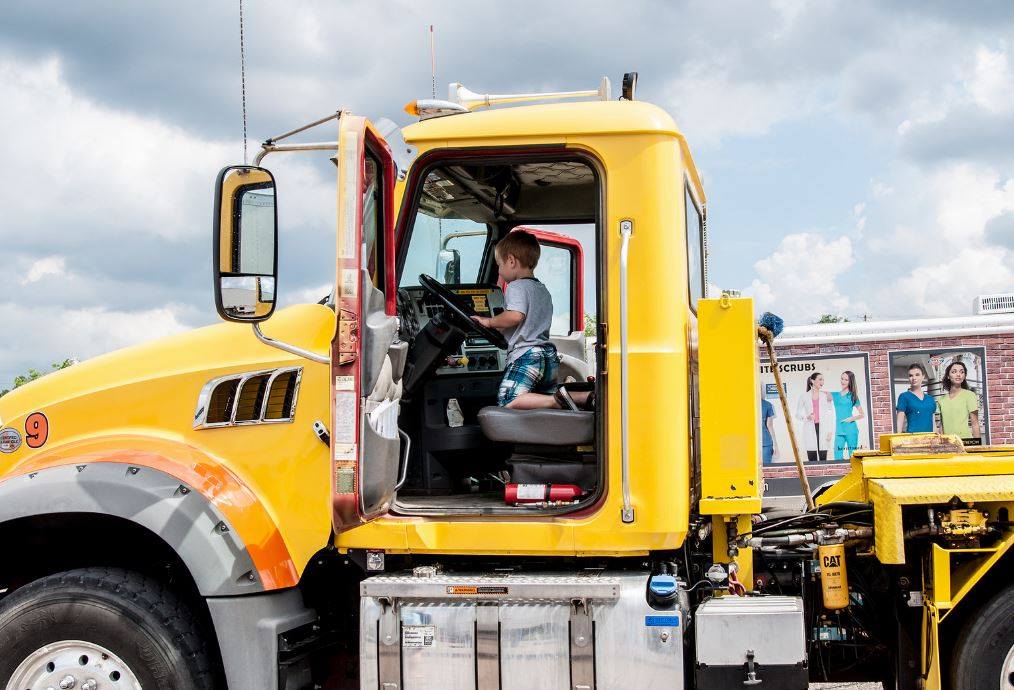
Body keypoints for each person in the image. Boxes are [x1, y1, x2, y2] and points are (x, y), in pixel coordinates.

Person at [471, 230, 568, 410]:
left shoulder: (516, 287)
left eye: (499, 265)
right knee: (542, 405)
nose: (499, 271)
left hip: (527, 354)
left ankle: (562, 399)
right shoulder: (542, 289)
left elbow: (516, 315)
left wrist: (489, 322)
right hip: (548, 355)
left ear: (511, 261)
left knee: (508, 400)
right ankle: (558, 400)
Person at [794, 372, 835, 462]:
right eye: (820, 379)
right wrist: (807, 417)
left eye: (823, 379)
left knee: (823, 456)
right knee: (812, 457)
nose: (822, 382)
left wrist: (830, 431)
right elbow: (797, 414)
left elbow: (830, 414)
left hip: (823, 428)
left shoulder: (825, 396)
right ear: (812, 381)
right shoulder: (804, 396)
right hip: (810, 428)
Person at [936, 361, 981, 439]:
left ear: (964, 376)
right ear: (948, 376)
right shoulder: (941, 400)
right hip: (948, 444)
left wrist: (978, 448)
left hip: (965, 443)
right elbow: (941, 426)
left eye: (962, 372)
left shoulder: (970, 395)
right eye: (954, 372)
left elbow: (975, 423)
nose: (958, 374)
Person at [831, 371, 865, 461]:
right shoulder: (835, 395)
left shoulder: (853, 396)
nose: (843, 381)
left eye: (846, 380)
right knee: (837, 457)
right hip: (839, 430)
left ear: (850, 382)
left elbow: (862, 414)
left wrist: (851, 419)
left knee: (853, 457)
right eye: (842, 378)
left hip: (851, 429)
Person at [896, 363, 937, 433]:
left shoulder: (930, 399)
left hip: (930, 440)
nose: (914, 378)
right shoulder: (904, 397)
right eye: (911, 375)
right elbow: (899, 424)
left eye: (917, 375)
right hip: (912, 440)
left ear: (923, 376)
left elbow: (933, 424)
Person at [761, 397, 780, 465]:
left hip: (750, 443)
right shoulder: (767, 404)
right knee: (766, 469)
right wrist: (775, 446)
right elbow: (769, 426)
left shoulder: (744, 404)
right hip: (765, 442)